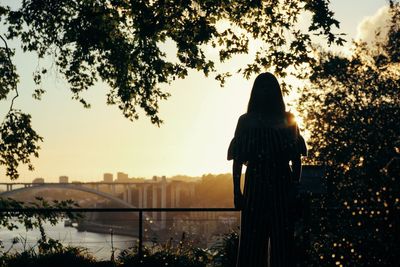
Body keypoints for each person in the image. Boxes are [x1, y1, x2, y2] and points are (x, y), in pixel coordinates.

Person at [228, 72, 307, 267]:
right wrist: (237, 192)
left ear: (276, 91)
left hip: (282, 185)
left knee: (283, 244)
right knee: (252, 245)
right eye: (261, 87)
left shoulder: (288, 119)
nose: (265, 91)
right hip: (255, 185)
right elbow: (237, 159)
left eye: (269, 87)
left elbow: (296, 160)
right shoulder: (246, 121)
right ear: (256, 91)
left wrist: (294, 189)